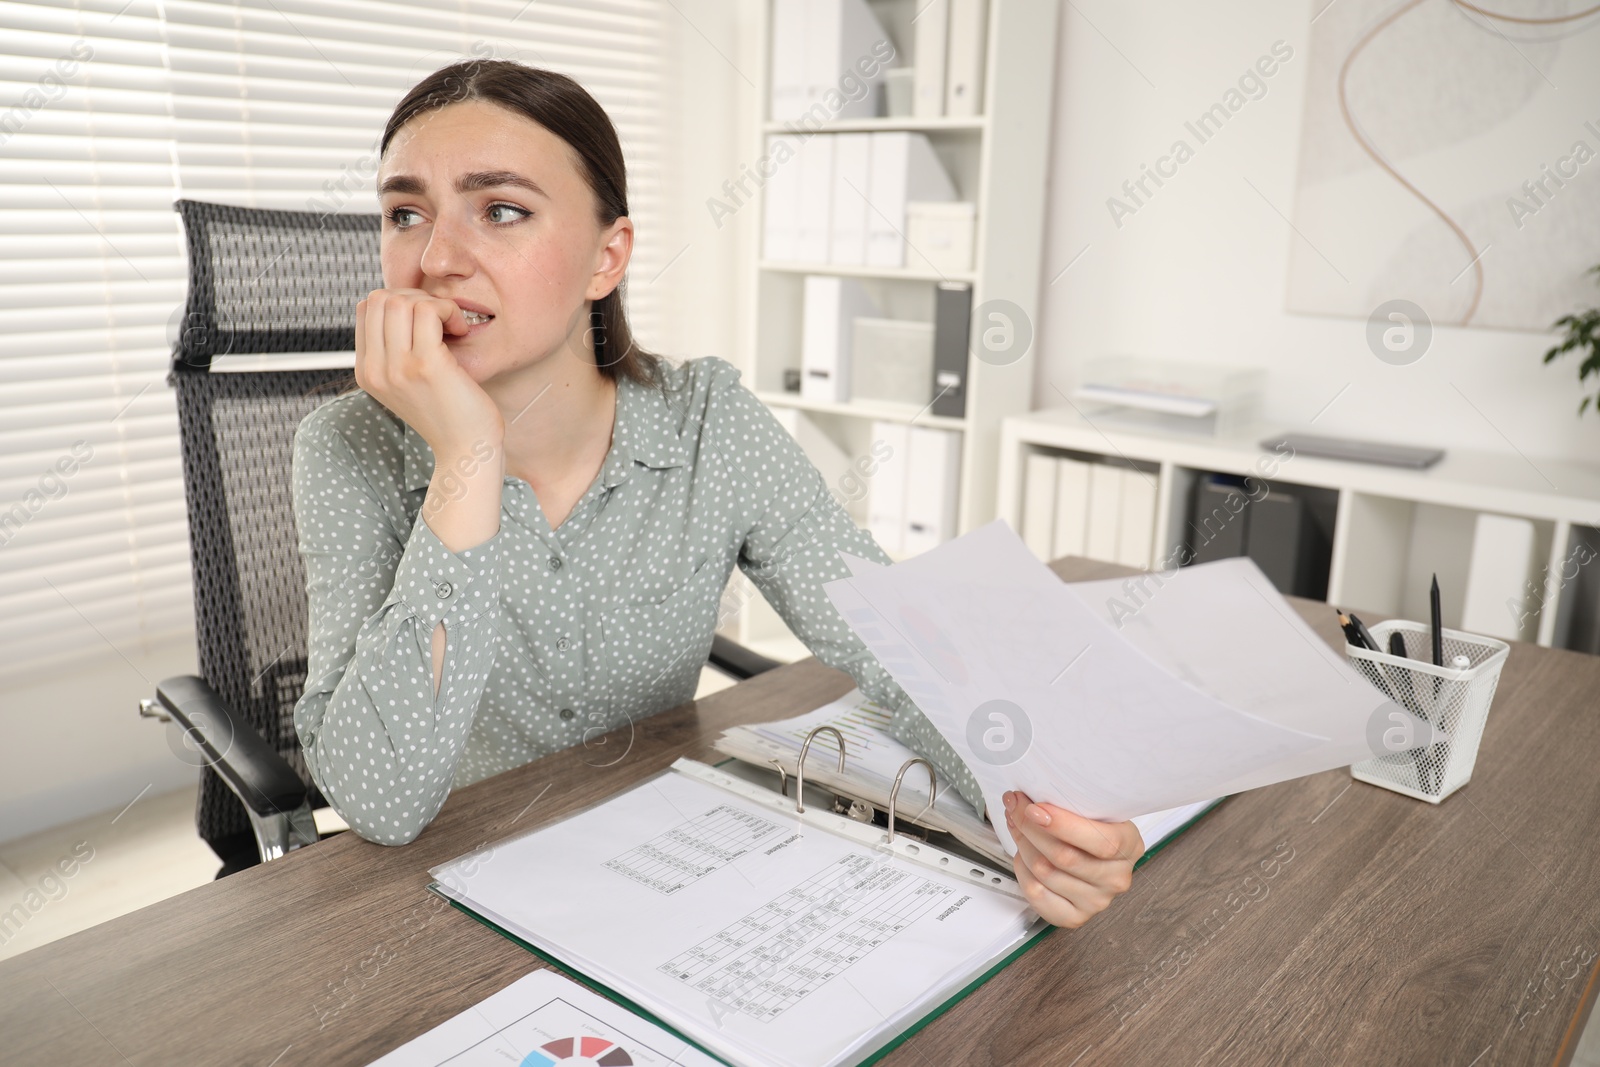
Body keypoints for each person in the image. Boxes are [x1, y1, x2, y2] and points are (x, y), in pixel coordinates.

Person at [291, 59, 1142, 929]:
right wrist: (466, 456)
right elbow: (380, 801)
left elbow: (893, 639)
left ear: (606, 256)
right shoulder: (345, 447)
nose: (434, 259)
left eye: (500, 209)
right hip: (442, 905)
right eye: (405, 215)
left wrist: (1034, 811)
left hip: (655, 874)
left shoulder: (708, 421)